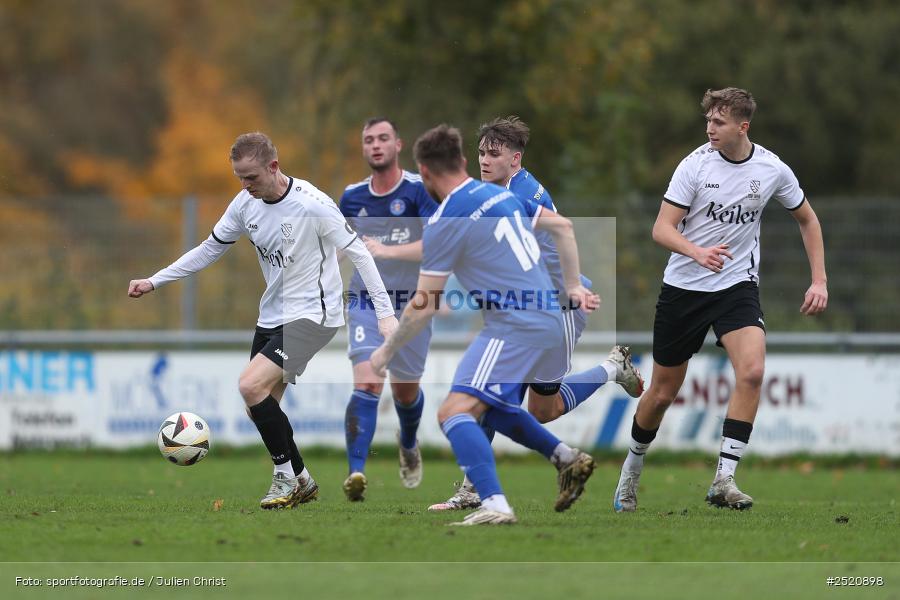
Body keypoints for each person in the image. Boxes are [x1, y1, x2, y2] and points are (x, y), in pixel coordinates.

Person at [128, 132, 398, 509]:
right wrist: (155, 280)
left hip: (315, 314)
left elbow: (359, 253)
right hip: (272, 315)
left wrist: (385, 315)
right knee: (257, 404)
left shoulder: (314, 204)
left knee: (249, 386)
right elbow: (209, 249)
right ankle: (302, 480)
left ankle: (283, 477)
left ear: (274, 166)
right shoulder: (244, 205)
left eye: (251, 177)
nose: (245, 185)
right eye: (239, 177)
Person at [612, 88, 828, 512]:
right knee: (660, 393)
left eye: (719, 122)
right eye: (708, 120)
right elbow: (662, 229)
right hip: (684, 289)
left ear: (742, 127)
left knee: (752, 372)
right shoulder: (694, 166)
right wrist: (697, 251)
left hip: (736, 287)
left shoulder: (771, 169)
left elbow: (808, 219)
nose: (709, 128)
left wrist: (818, 279)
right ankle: (630, 472)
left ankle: (724, 479)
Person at [371, 124, 599, 526]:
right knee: (490, 407)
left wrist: (387, 351)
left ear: (423, 173)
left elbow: (424, 305)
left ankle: (494, 503)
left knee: (452, 413)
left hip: (516, 323)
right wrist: (572, 286)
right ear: (462, 161)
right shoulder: (503, 195)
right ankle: (566, 458)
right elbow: (563, 227)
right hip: (545, 314)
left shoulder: (447, 217)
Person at [427, 116, 644, 512]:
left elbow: (561, 231)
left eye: (494, 154)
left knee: (511, 400)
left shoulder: (521, 192)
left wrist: (574, 287)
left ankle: (477, 490)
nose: (484, 160)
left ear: (516, 158)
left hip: (556, 311)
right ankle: (613, 369)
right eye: (480, 152)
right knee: (528, 405)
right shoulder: (498, 192)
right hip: (530, 313)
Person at [338, 117, 439, 501]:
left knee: (406, 394)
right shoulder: (351, 196)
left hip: (412, 303)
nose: (375, 145)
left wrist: (386, 250)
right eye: (368, 140)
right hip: (366, 300)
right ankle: (356, 475)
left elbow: (437, 245)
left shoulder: (417, 190)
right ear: (362, 148)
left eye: (383, 138)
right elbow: (337, 245)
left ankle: (409, 443)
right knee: (366, 381)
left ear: (398, 144)